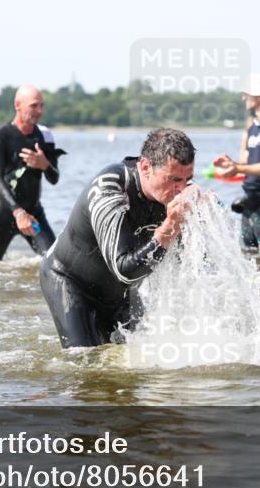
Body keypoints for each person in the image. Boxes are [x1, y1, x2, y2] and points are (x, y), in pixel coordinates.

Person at [39, 128, 197, 348]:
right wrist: (170, 227)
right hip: (71, 282)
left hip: (120, 293)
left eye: (188, 179)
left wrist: (199, 220)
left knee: (141, 360)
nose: (181, 189)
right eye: (173, 179)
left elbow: (193, 263)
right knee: (85, 365)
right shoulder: (112, 188)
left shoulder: (174, 192)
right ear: (145, 167)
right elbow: (124, 270)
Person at [0, 84, 65, 260]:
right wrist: (18, 212)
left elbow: (54, 177)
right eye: (34, 105)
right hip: (5, 212)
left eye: (42, 105)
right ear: (18, 105)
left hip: (34, 214)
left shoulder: (45, 136)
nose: (39, 110)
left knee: (54, 261)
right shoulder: (0, 137)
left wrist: (44, 165)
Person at [213, 74, 260, 251]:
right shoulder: (253, 128)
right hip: (249, 203)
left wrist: (238, 167)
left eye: (247, 93)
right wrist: (229, 166)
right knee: (250, 256)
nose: (243, 97)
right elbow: (245, 164)